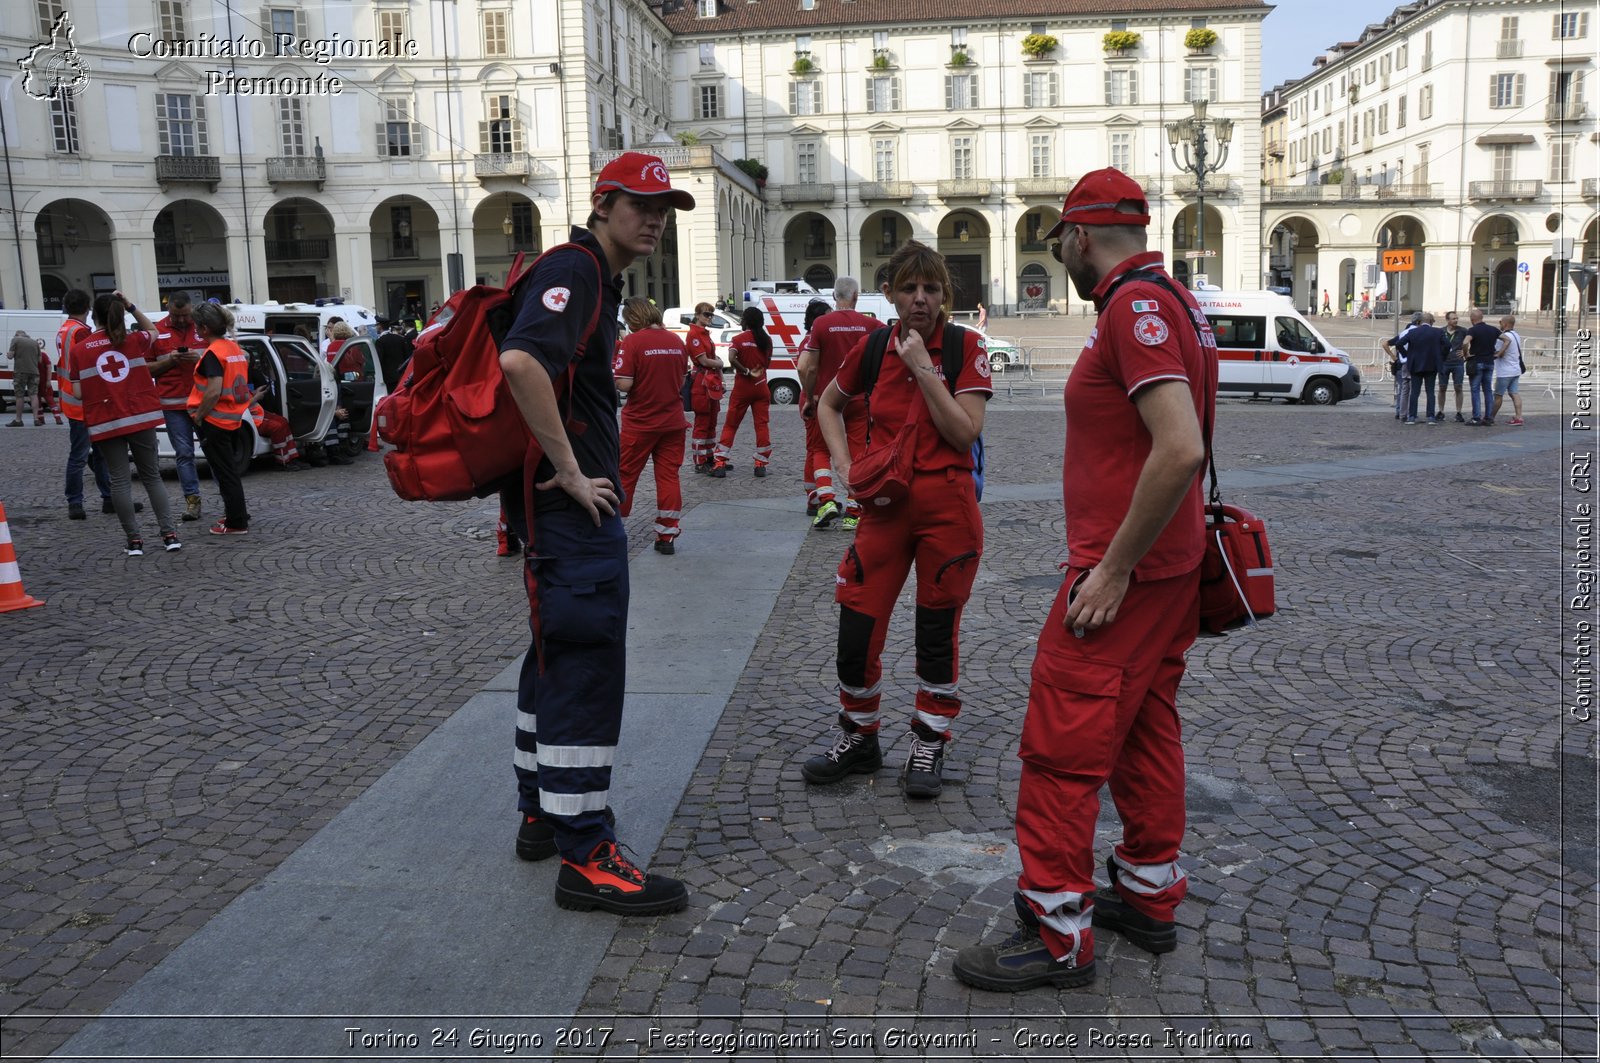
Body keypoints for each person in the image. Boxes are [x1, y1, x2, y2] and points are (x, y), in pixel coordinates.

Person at [952, 168, 1215, 993]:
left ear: (1079, 236)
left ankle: (1059, 931)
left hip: (1127, 574)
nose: (1058, 249)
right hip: (1171, 568)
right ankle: (1147, 894)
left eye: (1058, 237)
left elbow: (1179, 447)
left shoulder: (1134, 308)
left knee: (1062, 745)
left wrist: (1112, 568)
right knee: (1145, 729)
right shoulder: (1172, 300)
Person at [499, 151, 692, 915]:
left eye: (664, 208)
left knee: (551, 651)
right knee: (584, 662)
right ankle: (586, 851)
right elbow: (521, 362)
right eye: (641, 204)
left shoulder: (594, 277)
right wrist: (574, 471)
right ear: (602, 203)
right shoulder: (578, 268)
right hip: (573, 516)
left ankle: (540, 810)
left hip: (556, 518)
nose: (654, 218)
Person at [799, 240, 991, 800]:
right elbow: (828, 405)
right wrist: (842, 462)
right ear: (889, 294)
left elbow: (963, 432)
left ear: (945, 295)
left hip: (947, 509)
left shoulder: (966, 347)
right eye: (909, 288)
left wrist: (924, 370)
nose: (921, 299)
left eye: (932, 289)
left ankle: (929, 739)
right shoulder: (871, 346)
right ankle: (861, 737)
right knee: (856, 628)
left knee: (935, 632)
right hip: (883, 510)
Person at [66, 292, 180, 555]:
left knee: (119, 480)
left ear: (94, 316)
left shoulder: (79, 350)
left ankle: (134, 541)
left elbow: (79, 393)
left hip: (106, 422)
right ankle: (169, 534)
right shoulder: (133, 340)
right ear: (119, 313)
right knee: (152, 476)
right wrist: (131, 306)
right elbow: (153, 330)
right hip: (140, 416)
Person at [613, 297, 691, 554]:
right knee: (668, 477)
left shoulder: (633, 341)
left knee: (625, 476)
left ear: (634, 318)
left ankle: (614, 531)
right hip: (672, 421)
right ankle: (667, 535)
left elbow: (625, 384)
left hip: (641, 423)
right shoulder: (676, 341)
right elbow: (680, 381)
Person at [797, 277, 874, 531]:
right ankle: (854, 511)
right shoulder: (871, 325)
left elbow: (810, 367)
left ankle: (827, 500)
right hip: (858, 400)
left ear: (834, 296)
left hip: (826, 400)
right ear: (856, 296)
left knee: (820, 450)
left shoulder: (821, 324)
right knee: (856, 454)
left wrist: (809, 397)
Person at [188, 302, 253, 535]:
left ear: (204, 328)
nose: (195, 329)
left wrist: (199, 416)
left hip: (214, 421)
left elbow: (214, 390)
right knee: (230, 472)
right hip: (233, 418)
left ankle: (236, 522)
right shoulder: (233, 348)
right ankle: (237, 515)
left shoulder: (213, 353)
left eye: (197, 326)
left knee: (226, 475)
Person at [57, 288, 118, 520]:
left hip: (70, 397)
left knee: (96, 453)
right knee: (85, 454)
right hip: (84, 402)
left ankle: (108, 497)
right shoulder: (81, 332)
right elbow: (88, 366)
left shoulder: (64, 329)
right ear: (88, 308)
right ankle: (77, 501)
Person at [149, 292, 207, 521]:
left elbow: (220, 359)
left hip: (203, 402)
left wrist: (199, 360)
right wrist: (169, 361)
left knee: (216, 452)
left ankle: (231, 500)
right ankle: (192, 502)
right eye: (176, 315)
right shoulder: (156, 332)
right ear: (169, 310)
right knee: (184, 454)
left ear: (191, 309)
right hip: (172, 405)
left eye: (185, 315)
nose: (181, 320)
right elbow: (145, 369)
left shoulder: (203, 326)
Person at [710, 306, 773, 478]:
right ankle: (760, 463)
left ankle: (720, 462)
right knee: (761, 425)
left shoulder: (738, 339)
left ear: (745, 321)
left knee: (731, 424)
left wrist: (745, 371)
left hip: (742, 388)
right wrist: (755, 371)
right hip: (761, 386)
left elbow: (731, 359)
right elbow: (766, 364)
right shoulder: (767, 340)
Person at [795, 298, 832, 516]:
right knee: (817, 449)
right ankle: (817, 497)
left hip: (817, 398)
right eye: (828, 314)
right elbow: (802, 368)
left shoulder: (813, 339)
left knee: (815, 449)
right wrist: (812, 393)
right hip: (816, 399)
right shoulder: (811, 341)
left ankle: (813, 497)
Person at [684, 303, 725, 473]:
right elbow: (704, 361)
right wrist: (720, 363)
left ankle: (708, 457)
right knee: (702, 421)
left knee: (712, 421)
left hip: (710, 380)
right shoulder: (694, 334)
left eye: (711, 315)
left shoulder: (704, 334)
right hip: (702, 381)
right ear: (698, 315)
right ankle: (700, 461)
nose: (709, 317)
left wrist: (720, 374)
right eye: (706, 314)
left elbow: (710, 358)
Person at [1393, 311, 1444, 424]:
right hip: (1431, 365)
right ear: (1431, 321)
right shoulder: (1438, 332)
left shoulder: (1413, 332)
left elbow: (1398, 344)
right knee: (1430, 391)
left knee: (1415, 392)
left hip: (1415, 365)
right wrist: (1440, 357)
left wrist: (1406, 355)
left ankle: (1412, 416)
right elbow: (1448, 345)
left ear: (1420, 321)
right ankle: (1430, 416)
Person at [1461, 308, 1501, 426]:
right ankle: (1488, 417)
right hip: (1489, 362)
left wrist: (1466, 354)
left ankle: (1476, 417)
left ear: (1472, 319)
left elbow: (1465, 342)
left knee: (1475, 390)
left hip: (1477, 361)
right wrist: (1499, 353)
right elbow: (1507, 339)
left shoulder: (1473, 330)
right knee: (1488, 390)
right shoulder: (1493, 329)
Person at [1383, 312, 1421, 421]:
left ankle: (1400, 412)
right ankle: (1404, 412)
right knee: (1407, 389)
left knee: (1403, 389)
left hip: (1401, 364)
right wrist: (1395, 357)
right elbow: (1386, 344)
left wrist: (1394, 357)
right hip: (1405, 364)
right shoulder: (1411, 333)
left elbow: (1385, 344)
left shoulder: (1403, 333)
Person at [1492, 315, 1525, 425]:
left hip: (1504, 371)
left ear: (1505, 324)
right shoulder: (1516, 335)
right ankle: (1519, 417)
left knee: (1498, 395)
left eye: (1500, 323)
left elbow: (1499, 353)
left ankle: (1491, 417)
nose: (1499, 325)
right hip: (1515, 369)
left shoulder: (1503, 337)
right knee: (1514, 393)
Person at [7, 330, 45, 426]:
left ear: (17, 335)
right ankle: (36, 419)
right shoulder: (35, 342)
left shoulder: (15, 340)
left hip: (20, 372)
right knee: (33, 395)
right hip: (34, 372)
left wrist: (9, 354)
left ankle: (18, 420)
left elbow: (10, 356)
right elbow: (40, 360)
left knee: (19, 396)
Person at [1437, 311, 1467, 423]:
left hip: (1457, 362)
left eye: (1456, 318)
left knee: (1458, 386)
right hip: (1444, 363)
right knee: (1442, 387)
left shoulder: (1463, 331)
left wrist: (1466, 353)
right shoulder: (1441, 331)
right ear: (1447, 320)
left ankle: (1459, 412)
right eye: (1453, 318)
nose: (1456, 320)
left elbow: (1471, 341)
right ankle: (1441, 411)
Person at [375, 316, 413, 392]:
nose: (376, 328)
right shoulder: (400, 338)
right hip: (401, 376)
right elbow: (407, 357)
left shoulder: (380, 341)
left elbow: (378, 361)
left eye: (376, 325)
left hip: (387, 378)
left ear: (379, 326)